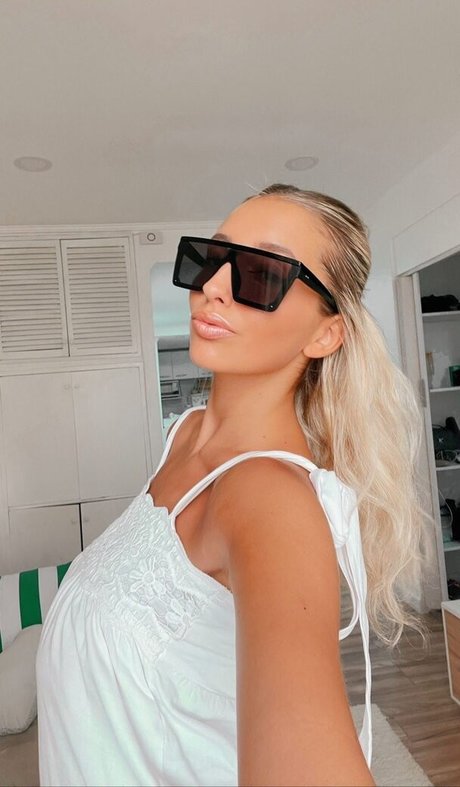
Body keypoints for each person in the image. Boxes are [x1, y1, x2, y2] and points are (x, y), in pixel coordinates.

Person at [36, 183, 427, 787]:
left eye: (261, 273)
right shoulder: (187, 436)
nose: (212, 286)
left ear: (325, 334)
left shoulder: (269, 500)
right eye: (211, 257)